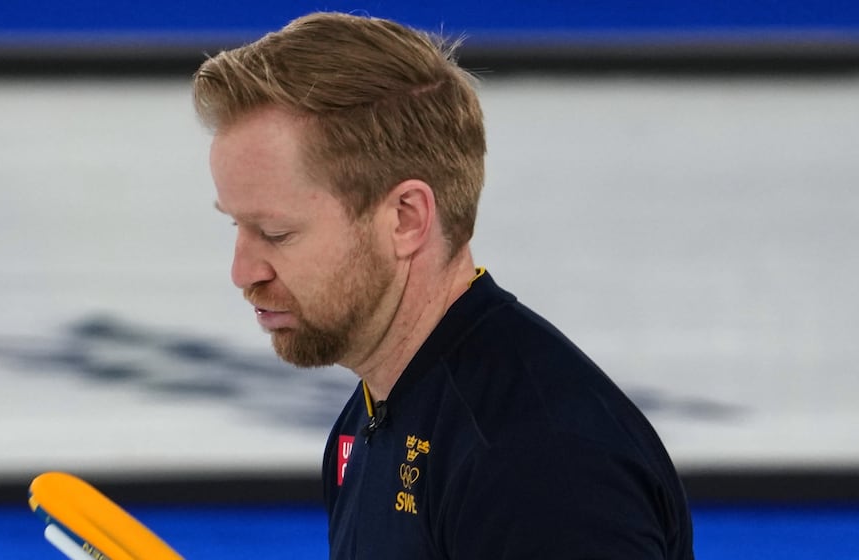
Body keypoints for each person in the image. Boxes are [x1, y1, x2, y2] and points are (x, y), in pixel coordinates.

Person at [192, 11, 694, 560]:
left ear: (406, 218)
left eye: (276, 232)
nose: (244, 271)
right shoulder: (368, 418)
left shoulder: (535, 461)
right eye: (235, 226)